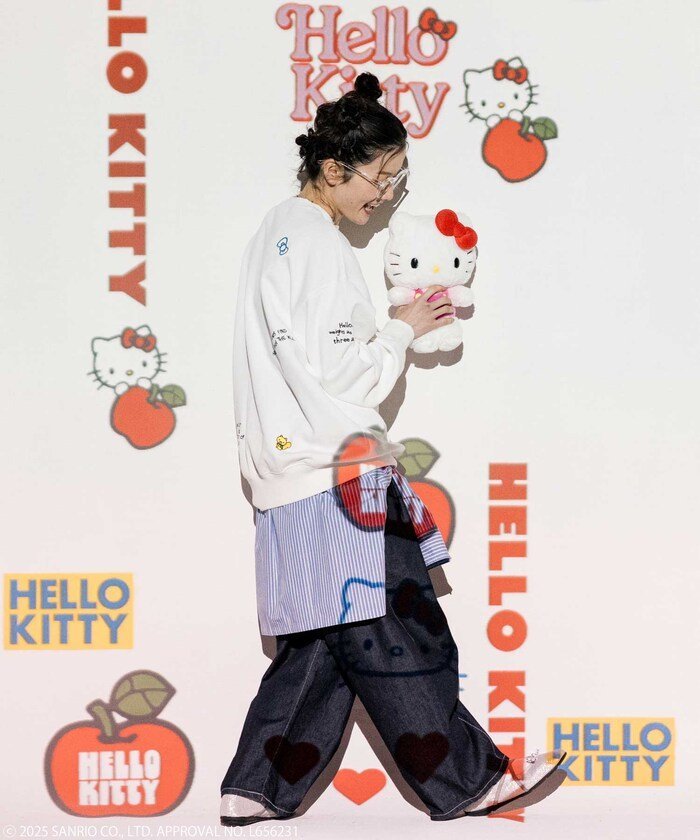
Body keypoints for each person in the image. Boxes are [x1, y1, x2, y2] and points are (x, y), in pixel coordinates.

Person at [220, 71, 566, 826]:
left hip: (291, 478)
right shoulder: (320, 246)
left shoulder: (273, 234)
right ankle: (470, 780)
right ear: (333, 168)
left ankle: (254, 785)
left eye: (397, 181)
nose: (385, 196)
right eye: (380, 178)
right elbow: (348, 373)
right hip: (340, 476)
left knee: (324, 640)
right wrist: (402, 327)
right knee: (403, 632)